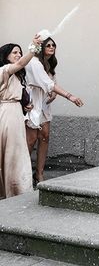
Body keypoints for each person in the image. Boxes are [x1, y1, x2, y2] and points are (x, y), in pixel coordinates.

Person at [25, 37, 84, 184]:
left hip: (44, 104)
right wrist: (69, 96)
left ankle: (39, 174)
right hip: (32, 104)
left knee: (45, 137)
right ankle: (24, 173)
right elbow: (48, 84)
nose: (52, 47)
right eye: (48, 45)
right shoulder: (34, 63)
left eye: (53, 45)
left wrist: (55, 94)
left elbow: (53, 84)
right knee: (30, 141)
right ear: (41, 48)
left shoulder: (50, 64)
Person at [1, 35, 41, 198]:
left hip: (14, 112)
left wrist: (25, 105)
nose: (18, 55)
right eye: (14, 52)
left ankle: (11, 188)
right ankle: (16, 189)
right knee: (14, 151)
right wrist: (33, 48)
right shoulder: (4, 70)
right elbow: (20, 63)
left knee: (13, 151)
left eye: (20, 52)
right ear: (5, 57)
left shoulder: (16, 75)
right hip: (8, 115)